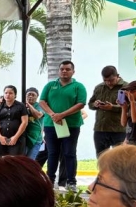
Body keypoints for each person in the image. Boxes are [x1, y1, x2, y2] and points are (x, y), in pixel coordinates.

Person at [39, 60, 87, 190]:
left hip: (71, 125)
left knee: (69, 153)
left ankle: (71, 182)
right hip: (51, 124)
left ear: (73, 71)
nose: (64, 71)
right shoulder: (50, 85)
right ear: (59, 71)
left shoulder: (78, 86)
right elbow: (42, 101)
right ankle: (50, 180)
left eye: (67, 69)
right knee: (52, 153)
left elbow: (81, 104)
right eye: (62, 69)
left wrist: (62, 115)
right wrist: (53, 115)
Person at [88, 66, 128, 156]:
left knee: (119, 157)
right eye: (105, 80)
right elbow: (90, 104)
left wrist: (112, 107)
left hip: (118, 129)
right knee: (101, 157)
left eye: (111, 80)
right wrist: (95, 104)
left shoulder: (126, 87)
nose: (108, 83)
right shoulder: (99, 87)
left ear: (117, 76)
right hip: (100, 128)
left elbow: (129, 107)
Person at [0, 85, 29, 156]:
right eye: (6, 93)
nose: (8, 95)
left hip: (17, 139)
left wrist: (15, 137)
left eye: (10, 93)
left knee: (15, 160)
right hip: (2, 139)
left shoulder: (21, 106)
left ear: (15, 95)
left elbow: (24, 122)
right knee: (2, 160)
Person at [24, 87, 45, 159]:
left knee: (30, 161)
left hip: (36, 140)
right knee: (21, 161)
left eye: (33, 95)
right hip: (24, 139)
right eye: (29, 94)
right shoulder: (21, 105)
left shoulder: (40, 106)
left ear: (37, 96)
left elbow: (38, 115)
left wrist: (29, 105)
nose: (30, 96)